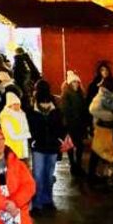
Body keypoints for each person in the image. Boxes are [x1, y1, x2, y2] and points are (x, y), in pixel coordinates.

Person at [27, 80, 64, 213]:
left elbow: (30, 126)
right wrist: (59, 139)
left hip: (41, 146)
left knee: (40, 175)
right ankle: (45, 202)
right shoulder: (54, 108)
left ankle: (40, 203)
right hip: (49, 145)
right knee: (46, 175)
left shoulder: (33, 108)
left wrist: (33, 139)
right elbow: (61, 125)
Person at [60, 71, 88, 176]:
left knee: (78, 146)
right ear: (69, 84)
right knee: (73, 146)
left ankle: (76, 165)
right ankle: (74, 165)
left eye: (77, 82)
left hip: (79, 124)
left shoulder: (80, 94)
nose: (76, 84)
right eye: (73, 82)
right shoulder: (67, 95)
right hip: (72, 125)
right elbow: (66, 111)